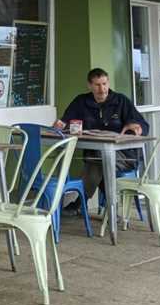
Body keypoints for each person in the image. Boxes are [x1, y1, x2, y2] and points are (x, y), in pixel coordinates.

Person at [54, 67, 149, 209]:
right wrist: (59, 124)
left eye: (104, 84)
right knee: (99, 160)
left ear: (108, 83)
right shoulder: (81, 101)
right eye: (97, 85)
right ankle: (110, 208)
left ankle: (80, 204)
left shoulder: (121, 101)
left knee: (98, 161)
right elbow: (65, 121)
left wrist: (137, 127)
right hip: (96, 155)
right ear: (90, 85)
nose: (102, 89)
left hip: (125, 157)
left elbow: (143, 126)